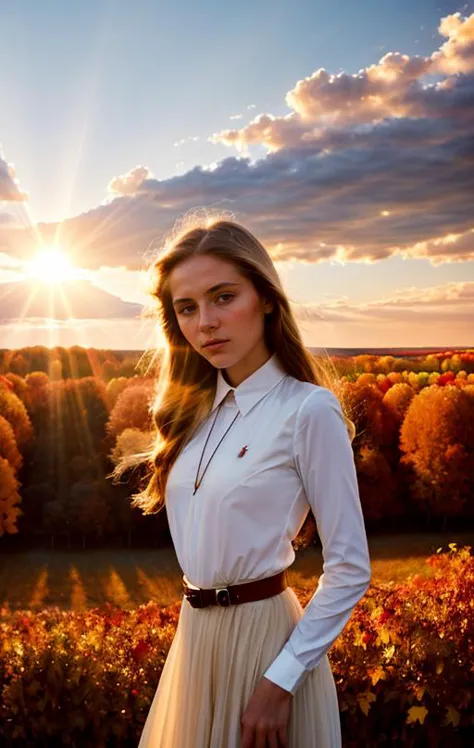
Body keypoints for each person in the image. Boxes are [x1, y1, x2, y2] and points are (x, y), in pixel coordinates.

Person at [113, 213, 371, 748]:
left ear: (268, 299)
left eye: (223, 297)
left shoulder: (308, 410)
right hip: (196, 641)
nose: (205, 321)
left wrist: (281, 681)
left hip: (267, 649)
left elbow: (350, 568)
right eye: (187, 308)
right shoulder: (191, 413)